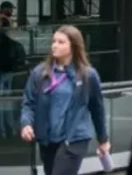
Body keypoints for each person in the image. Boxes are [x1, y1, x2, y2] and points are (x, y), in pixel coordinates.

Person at [19, 25, 110, 175]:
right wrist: (26, 124)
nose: (55, 45)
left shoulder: (88, 75)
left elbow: (97, 109)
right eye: (54, 41)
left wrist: (103, 139)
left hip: (74, 139)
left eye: (61, 42)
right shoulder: (40, 73)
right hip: (48, 140)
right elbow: (29, 102)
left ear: (73, 46)